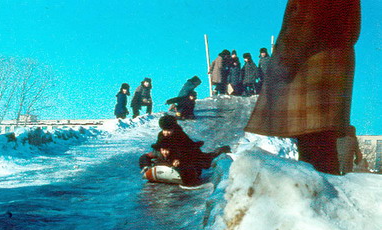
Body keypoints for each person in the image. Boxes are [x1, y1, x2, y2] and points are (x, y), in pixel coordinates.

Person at [244, 0, 360, 175]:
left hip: (312, 67)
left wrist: (283, 60)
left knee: (314, 146)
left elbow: (306, 21)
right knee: (323, 143)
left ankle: (316, 199)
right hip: (330, 64)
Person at [140, 115, 230, 186]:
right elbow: (148, 155)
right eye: (164, 130)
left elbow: (184, 151)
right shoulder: (161, 139)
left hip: (189, 152)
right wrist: (146, 166)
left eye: (169, 130)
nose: (166, 133)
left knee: (206, 159)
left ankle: (221, 150)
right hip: (172, 153)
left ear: (173, 128)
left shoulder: (180, 136)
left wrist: (179, 160)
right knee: (158, 158)